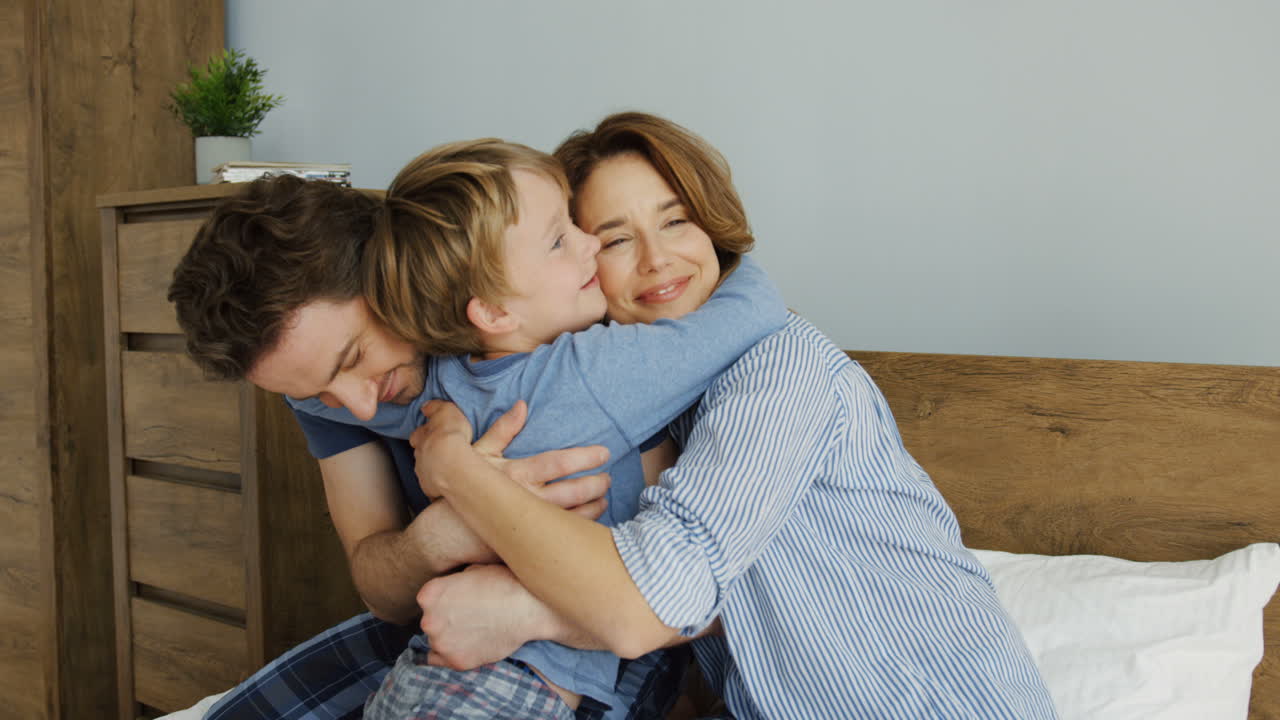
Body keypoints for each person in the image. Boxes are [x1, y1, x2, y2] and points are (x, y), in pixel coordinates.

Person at [404, 112, 1061, 719]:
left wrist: (461, 480)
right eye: (614, 238)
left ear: (711, 226)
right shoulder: (633, 403)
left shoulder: (782, 373)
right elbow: (726, 604)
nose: (658, 260)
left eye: (676, 221)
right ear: (580, 261)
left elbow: (647, 604)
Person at [280, 138, 787, 718]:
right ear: (493, 312)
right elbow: (757, 308)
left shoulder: (447, 383)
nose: (591, 243)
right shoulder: (591, 371)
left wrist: (444, 453)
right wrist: (726, 248)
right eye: (560, 239)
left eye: (576, 225)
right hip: (521, 681)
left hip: (441, 663)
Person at [167, 176, 691, 720]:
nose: (359, 407)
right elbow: (380, 587)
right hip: (442, 616)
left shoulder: (547, 316)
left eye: (352, 358)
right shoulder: (324, 383)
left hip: (592, 633)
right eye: (315, 392)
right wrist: (441, 538)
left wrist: (525, 606)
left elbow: (684, 583)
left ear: (396, 271)